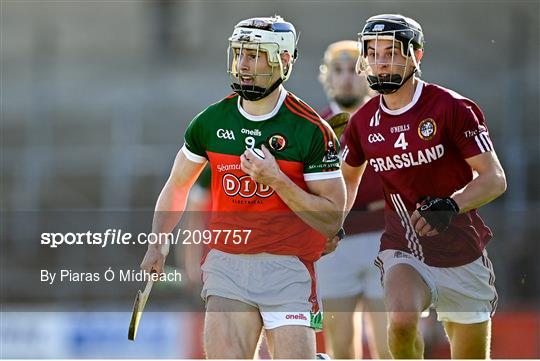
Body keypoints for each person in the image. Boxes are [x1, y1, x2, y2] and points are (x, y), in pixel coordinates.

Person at [140, 15, 345, 359]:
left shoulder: (310, 130)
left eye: (254, 55)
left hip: (287, 266)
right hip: (227, 265)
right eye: (238, 54)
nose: (242, 64)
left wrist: (276, 180)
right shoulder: (210, 122)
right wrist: (157, 244)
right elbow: (178, 185)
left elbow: (332, 219)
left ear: (282, 60)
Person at [340, 14, 507, 359]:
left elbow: (494, 179)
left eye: (391, 52)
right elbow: (345, 182)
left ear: (417, 56)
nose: (380, 61)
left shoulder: (452, 108)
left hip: (462, 252)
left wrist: (451, 205)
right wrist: (327, 227)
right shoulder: (361, 122)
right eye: (372, 52)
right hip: (404, 247)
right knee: (401, 320)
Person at [315, 40, 390, 359]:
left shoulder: (388, 120)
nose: (347, 78)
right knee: (341, 348)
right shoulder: (316, 127)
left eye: (355, 70)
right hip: (335, 245)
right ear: (327, 77)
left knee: (391, 344)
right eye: (338, 70)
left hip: (386, 241)